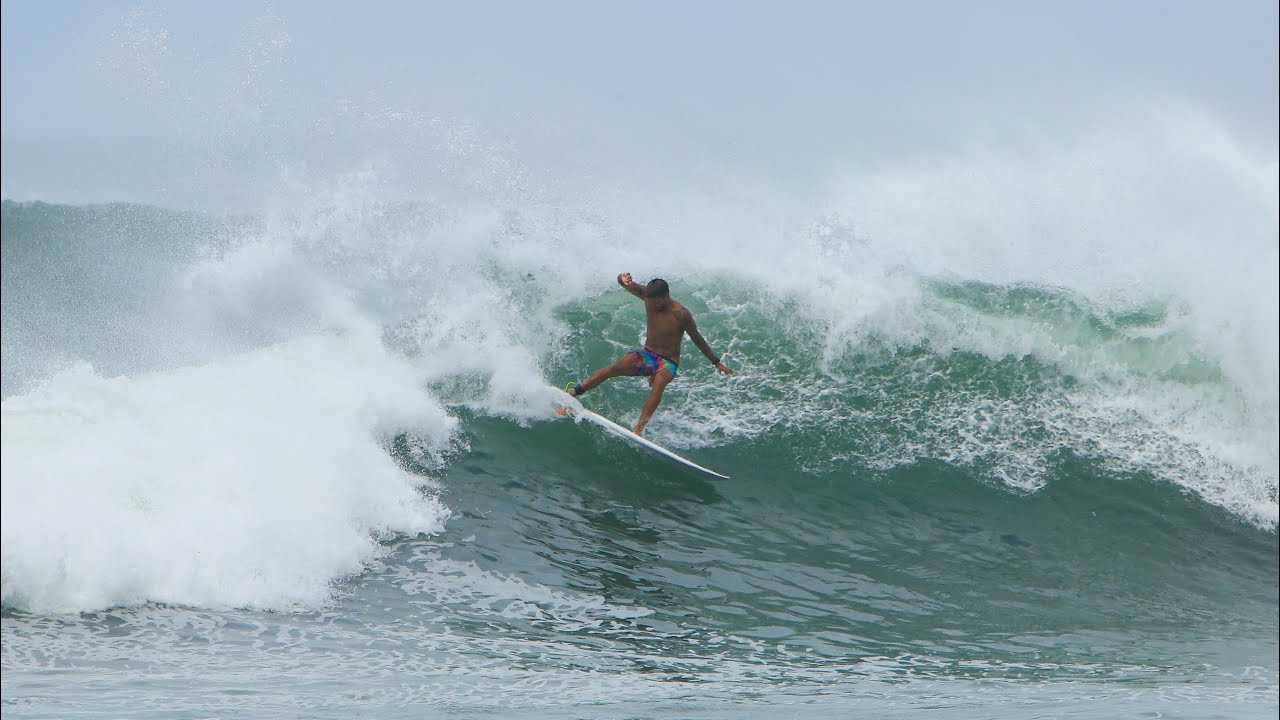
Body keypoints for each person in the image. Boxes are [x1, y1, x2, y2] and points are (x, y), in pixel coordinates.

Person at [567, 273, 735, 435]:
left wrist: (716, 362)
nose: (654, 305)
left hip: (668, 362)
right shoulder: (648, 297)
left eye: (657, 301)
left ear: (666, 295)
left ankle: (638, 429)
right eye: (651, 301)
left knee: (660, 381)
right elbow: (625, 284)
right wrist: (621, 278)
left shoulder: (681, 314)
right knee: (615, 367)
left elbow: (698, 339)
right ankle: (574, 392)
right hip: (647, 355)